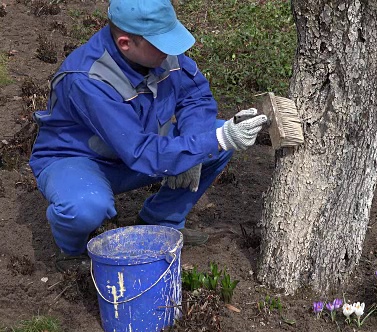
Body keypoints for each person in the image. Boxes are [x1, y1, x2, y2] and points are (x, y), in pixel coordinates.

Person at [29, 0, 268, 272]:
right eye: (162, 43)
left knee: (214, 135)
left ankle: (160, 224)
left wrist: (198, 144)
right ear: (125, 43)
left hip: (137, 152)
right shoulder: (89, 79)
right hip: (79, 161)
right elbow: (140, 151)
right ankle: (72, 252)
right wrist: (209, 143)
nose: (173, 50)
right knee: (85, 207)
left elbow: (196, 99)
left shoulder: (161, 55)